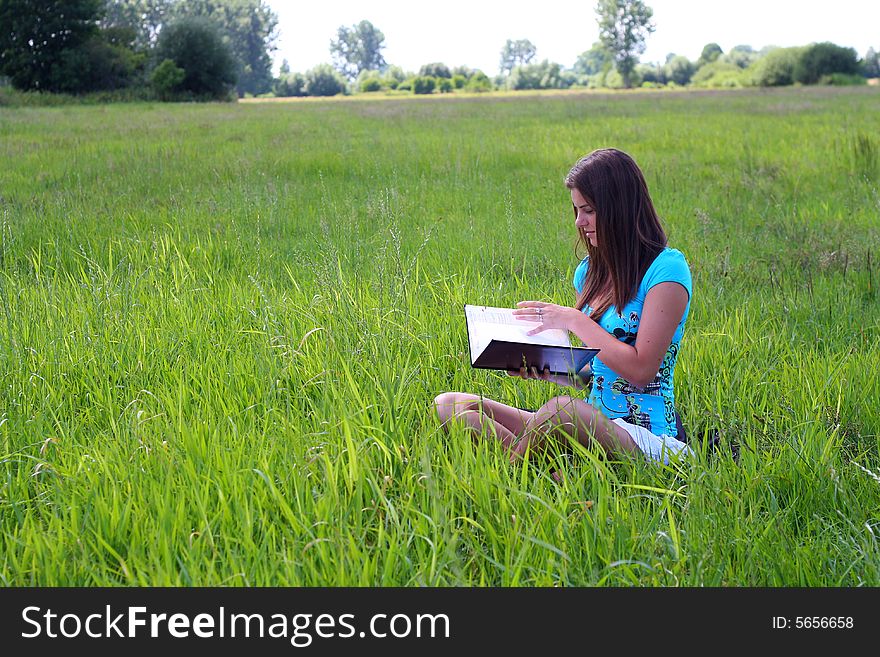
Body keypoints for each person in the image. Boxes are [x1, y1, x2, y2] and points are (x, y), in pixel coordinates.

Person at [434, 148, 693, 468]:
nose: (579, 222)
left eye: (588, 210)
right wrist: (544, 365)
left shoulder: (667, 271)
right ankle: (549, 468)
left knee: (560, 411)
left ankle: (513, 474)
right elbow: (593, 376)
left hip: (649, 439)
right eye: (575, 210)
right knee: (450, 405)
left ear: (619, 208)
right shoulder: (589, 272)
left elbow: (641, 371)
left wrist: (573, 319)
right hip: (590, 422)